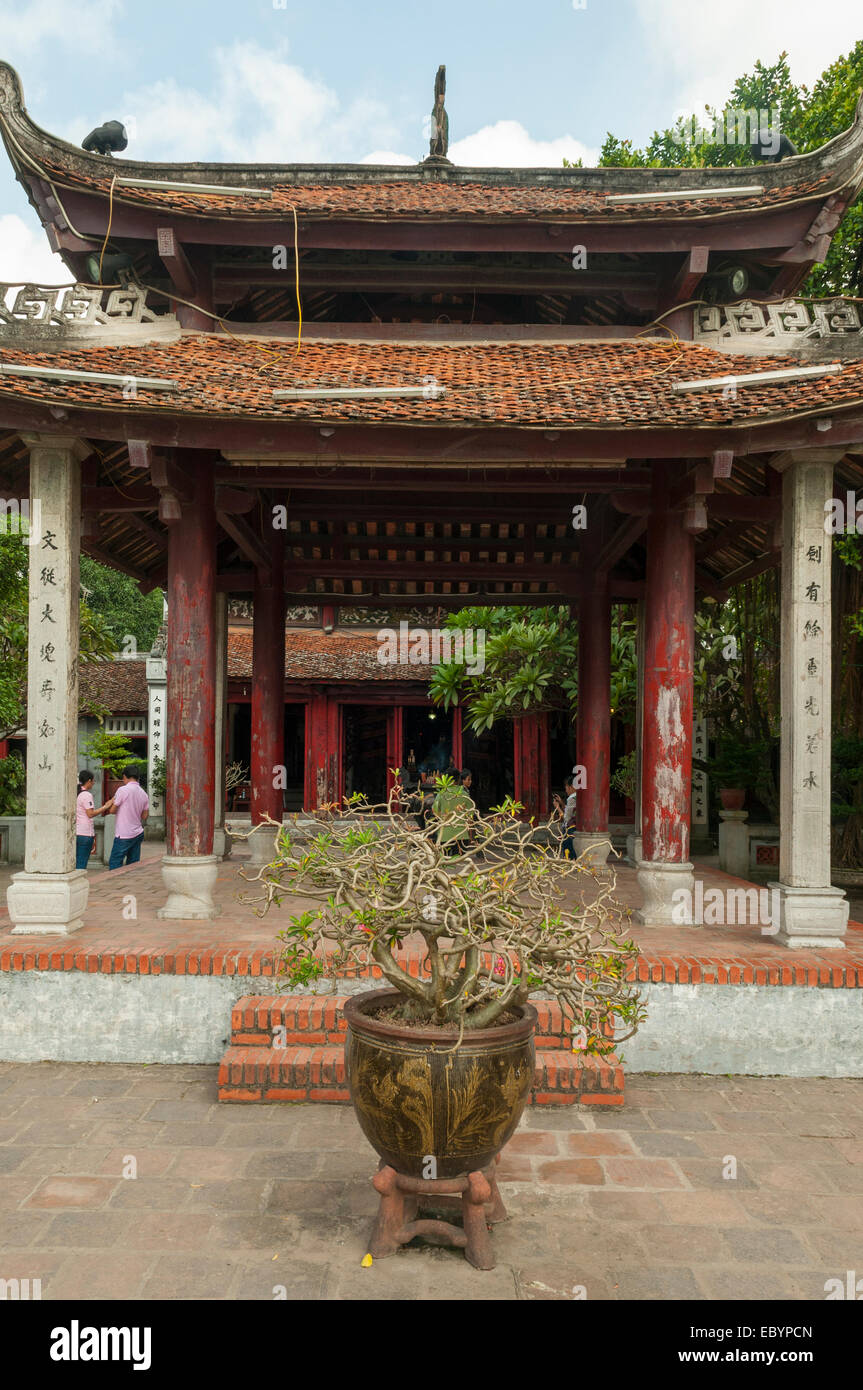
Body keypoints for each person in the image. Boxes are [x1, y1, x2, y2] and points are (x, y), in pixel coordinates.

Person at [105, 765, 150, 870]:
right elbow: (144, 816)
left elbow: (112, 810)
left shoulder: (122, 790)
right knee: (133, 865)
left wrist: (111, 803)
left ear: (125, 776)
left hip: (124, 834)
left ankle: (115, 884)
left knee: (115, 863)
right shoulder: (144, 793)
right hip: (137, 832)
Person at [433, 769, 475, 855]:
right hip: (462, 836)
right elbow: (470, 818)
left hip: (444, 835)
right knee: (460, 864)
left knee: (445, 864)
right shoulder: (465, 795)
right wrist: (471, 836)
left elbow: (435, 812)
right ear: (459, 779)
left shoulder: (441, 794)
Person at [75, 771, 111, 871]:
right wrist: (105, 807)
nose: (94, 783)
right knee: (82, 862)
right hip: (85, 833)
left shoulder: (76, 793)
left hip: (77, 831)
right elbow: (90, 814)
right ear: (89, 781)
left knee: (77, 860)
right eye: (93, 781)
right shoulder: (86, 795)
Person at [553, 773, 578, 858]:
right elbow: (569, 811)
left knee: (568, 854)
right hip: (575, 829)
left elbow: (566, 818)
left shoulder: (572, 798)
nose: (566, 790)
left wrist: (557, 807)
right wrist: (561, 803)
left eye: (566, 787)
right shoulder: (578, 797)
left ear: (571, 786)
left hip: (569, 830)